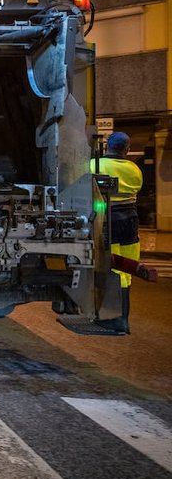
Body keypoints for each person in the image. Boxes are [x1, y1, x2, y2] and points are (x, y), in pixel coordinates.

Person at [96, 131, 143, 334]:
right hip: (131, 221)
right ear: (127, 149)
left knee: (110, 267)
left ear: (107, 146)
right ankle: (123, 319)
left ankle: (112, 318)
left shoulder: (96, 165)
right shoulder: (134, 169)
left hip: (109, 220)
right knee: (126, 271)